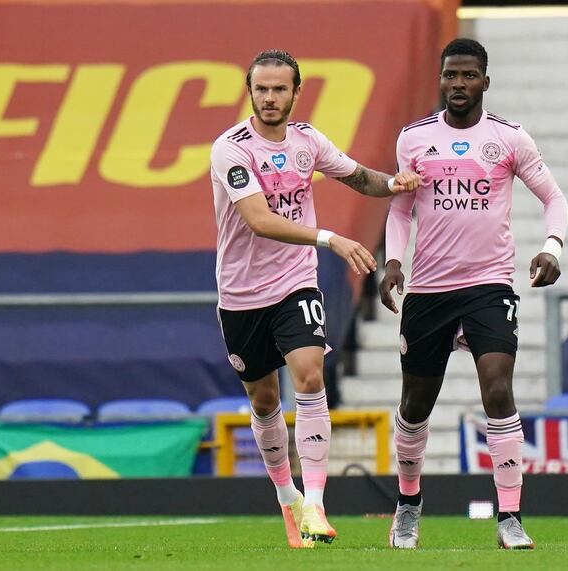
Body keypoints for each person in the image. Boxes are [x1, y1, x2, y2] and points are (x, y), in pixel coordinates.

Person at [211, 49, 419, 549]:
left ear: (296, 93)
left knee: (308, 373)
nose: (269, 97)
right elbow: (259, 220)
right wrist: (331, 238)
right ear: (250, 91)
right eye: (261, 88)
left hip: (295, 283)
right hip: (241, 294)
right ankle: (288, 499)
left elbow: (356, 176)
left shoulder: (308, 141)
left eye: (279, 88)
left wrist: (394, 183)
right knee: (263, 400)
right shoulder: (231, 149)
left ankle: (316, 505)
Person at [379, 38, 568, 550]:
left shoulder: (508, 138)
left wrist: (551, 247)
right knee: (416, 405)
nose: (457, 85)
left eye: (467, 76)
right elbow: (400, 208)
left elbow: (554, 198)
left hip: (489, 285)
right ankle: (409, 505)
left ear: (486, 81)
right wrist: (393, 261)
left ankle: (510, 517)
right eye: (449, 76)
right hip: (429, 289)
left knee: (499, 389)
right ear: (439, 80)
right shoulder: (414, 139)